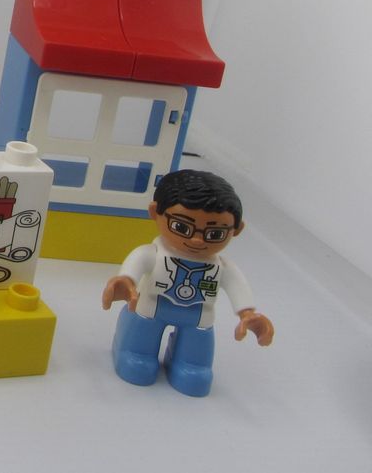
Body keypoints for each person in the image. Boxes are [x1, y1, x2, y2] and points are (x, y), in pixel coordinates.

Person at [101, 169, 274, 396]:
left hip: (198, 316)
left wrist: (247, 313)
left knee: (195, 368)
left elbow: (236, 286)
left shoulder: (221, 267)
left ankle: (190, 365)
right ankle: (134, 352)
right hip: (152, 307)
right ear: (155, 212)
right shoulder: (153, 254)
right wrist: (125, 280)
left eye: (214, 233)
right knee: (139, 351)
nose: (197, 240)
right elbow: (136, 262)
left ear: (236, 230)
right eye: (182, 227)